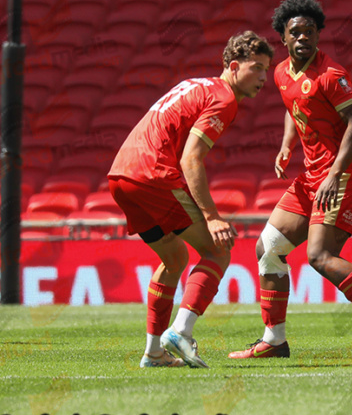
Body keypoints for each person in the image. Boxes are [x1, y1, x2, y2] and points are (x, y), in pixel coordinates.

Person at [228, 0, 352, 361]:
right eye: (296, 32)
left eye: (310, 31)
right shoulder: (281, 72)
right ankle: (274, 340)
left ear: (318, 34)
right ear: (283, 36)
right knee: (268, 248)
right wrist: (287, 144)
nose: (303, 38)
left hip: (342, 175)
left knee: (320, 255)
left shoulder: (331, 75)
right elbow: (292, 106)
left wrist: (334, 173)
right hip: (311, 175)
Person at [107, 31, 274, 368]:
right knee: (217, 251)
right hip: (152, 174)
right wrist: (212, 217)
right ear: (233, 66)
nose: (263, 78)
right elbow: (191, 159)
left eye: (266, 70)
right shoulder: (223, 98)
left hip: (121, 175)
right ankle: (180, 332)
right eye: (256, 68)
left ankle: (154, 353)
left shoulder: (197, 84)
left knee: (174, 258)